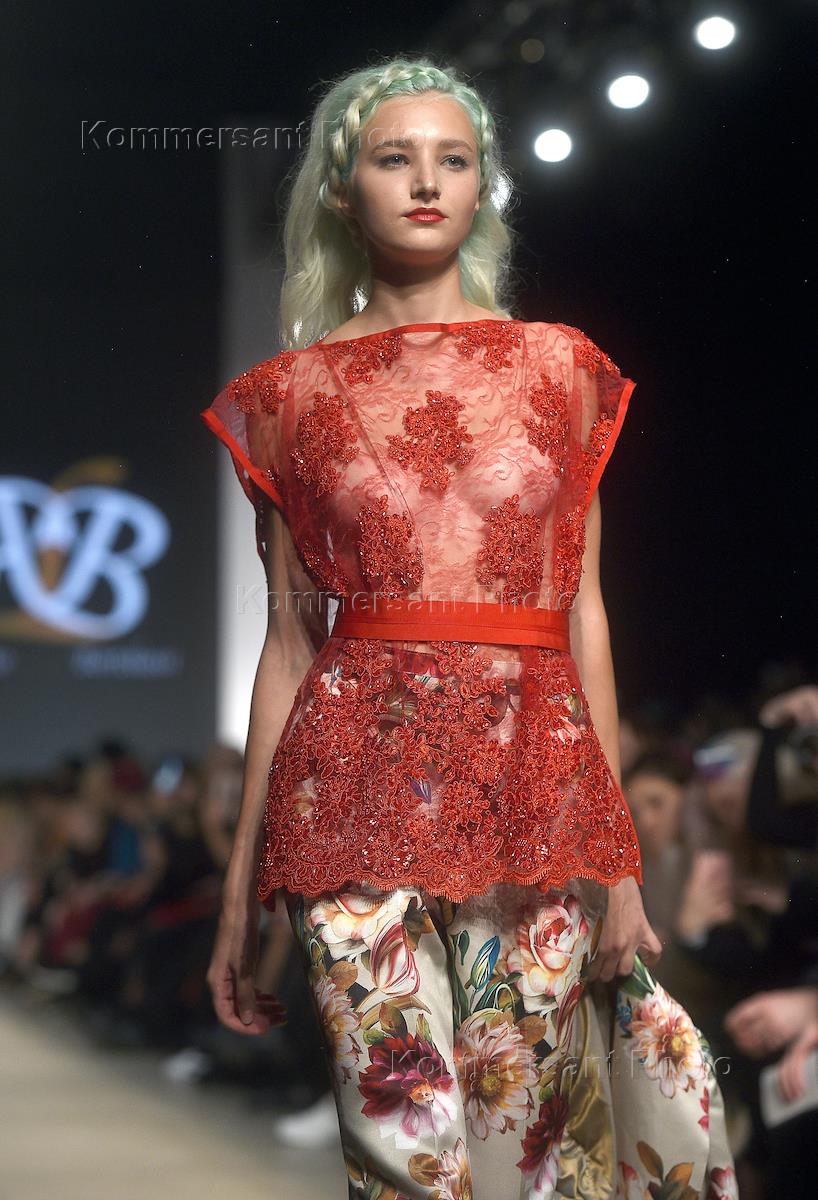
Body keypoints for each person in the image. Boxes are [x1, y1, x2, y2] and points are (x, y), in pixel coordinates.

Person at [201, 55, 737, 1199]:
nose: (424, 182)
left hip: (530, 789)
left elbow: (581, 610)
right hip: (345, 794)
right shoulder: (289, 396)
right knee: (402, 1152)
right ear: (341, 189)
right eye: (393, 158)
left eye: (451, 160)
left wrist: (617, 858)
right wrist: (242, 887)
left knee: (519, 1151)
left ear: (481, 185)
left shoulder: (559, 369)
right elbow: (289, 646)